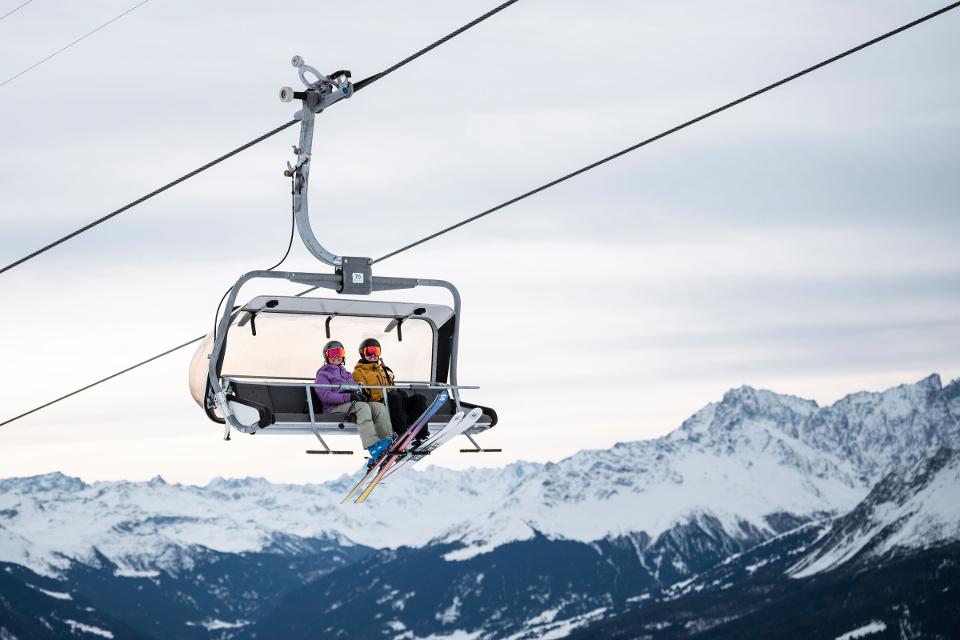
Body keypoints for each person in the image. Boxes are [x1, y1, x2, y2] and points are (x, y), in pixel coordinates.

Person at [313, 340, 393, 463]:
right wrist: (349, 398)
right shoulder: (323, 374)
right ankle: (373, 447)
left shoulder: (347, 374)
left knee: (378, 407)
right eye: (332, 353)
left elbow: (356, 388)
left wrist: (361, 394)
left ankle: (386, 441)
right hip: (333, 408)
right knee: (362, 407)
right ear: (326, 356)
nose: (336, 356)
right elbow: (325, 396)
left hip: (350, 404)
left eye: (339, 352)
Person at [352, 338, 430, 445]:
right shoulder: (358, 372)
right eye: (369, 351)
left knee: (419, 399)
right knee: (394, 397)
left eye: (376, 351)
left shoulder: (383, 369)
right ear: (362, 353)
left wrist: (399, 392)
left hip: (393, 400)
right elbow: (362, 391)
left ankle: (421, 434)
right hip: (378, 402)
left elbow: (392, 386)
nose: (373, 355)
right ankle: (402, 433)